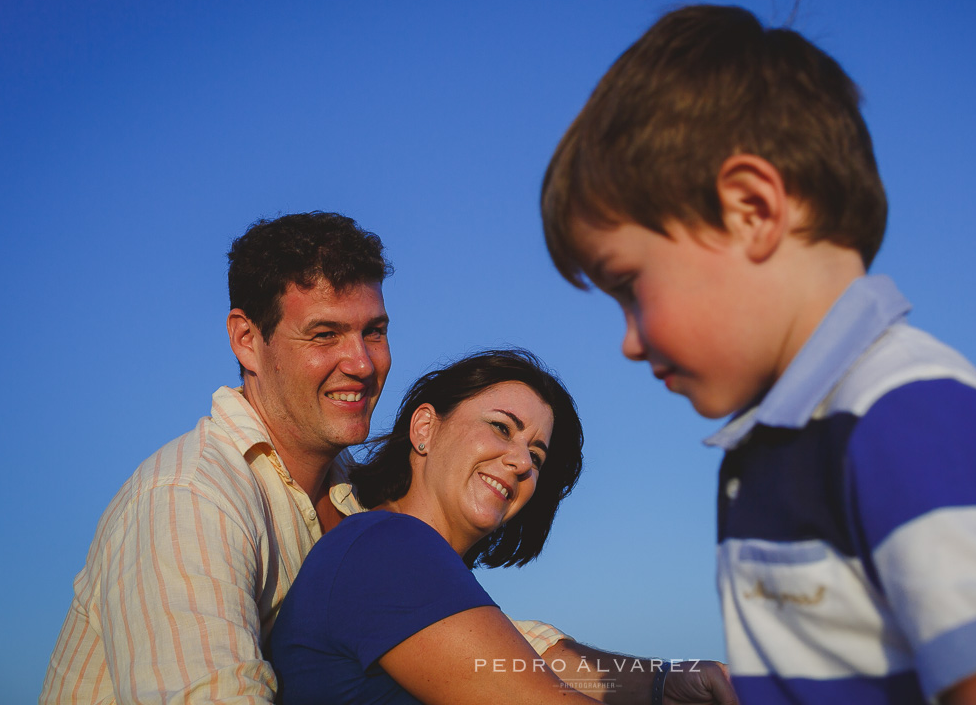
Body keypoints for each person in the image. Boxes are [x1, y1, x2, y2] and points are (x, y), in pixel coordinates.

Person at [540, 5, 976, 705]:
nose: (629, 342)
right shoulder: (796, 443)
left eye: (629, 286)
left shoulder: (911, 427)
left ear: (752, 210)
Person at [42, 211, 735, 705]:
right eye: (325, 334)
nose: (361, 362)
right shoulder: (191, 498)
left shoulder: (349, 506)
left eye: (374, 331)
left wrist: (672, 679)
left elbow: (470, 638)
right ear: (247, 341)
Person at [270, 349, 601, 703]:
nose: (521, 462)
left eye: (536, 456)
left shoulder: (401, 556)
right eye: (501, 428)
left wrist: (662, 683)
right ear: (424, 427)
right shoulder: (389, 548)